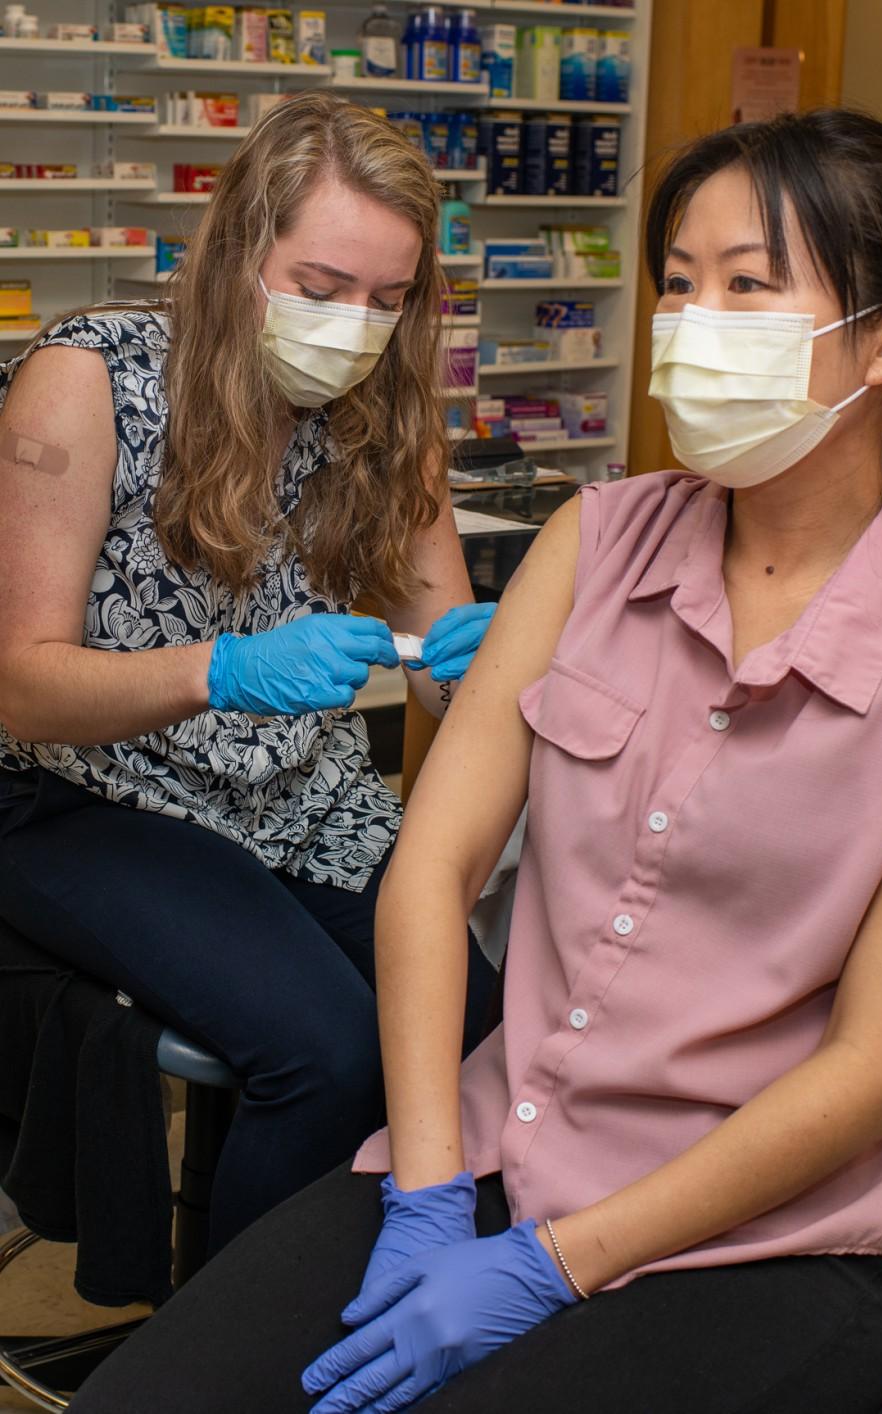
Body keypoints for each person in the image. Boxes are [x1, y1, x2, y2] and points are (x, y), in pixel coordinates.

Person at [70, 107, 882, 1414]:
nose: (693, 325)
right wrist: (423, 1193)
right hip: (489, 1154)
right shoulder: (599, 541)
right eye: (680, 284)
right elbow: (433, 866)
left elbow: (874, 1070)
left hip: (756, 1238)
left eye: (749, 286)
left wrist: (552, 1263)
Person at [0, 93, 497, 1256]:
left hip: (293, 792)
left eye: (385, 300)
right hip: (85, 792)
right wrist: (218, 670)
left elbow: (445, 666)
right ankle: (235, 1358)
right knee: (325, 1053)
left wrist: (485, 667)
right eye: (320, 288)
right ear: (235, 251)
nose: (353, 327)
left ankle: (371, 1303)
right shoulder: (87, 382)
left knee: (472, 1025)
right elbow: (19, 688)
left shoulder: (387, 414)